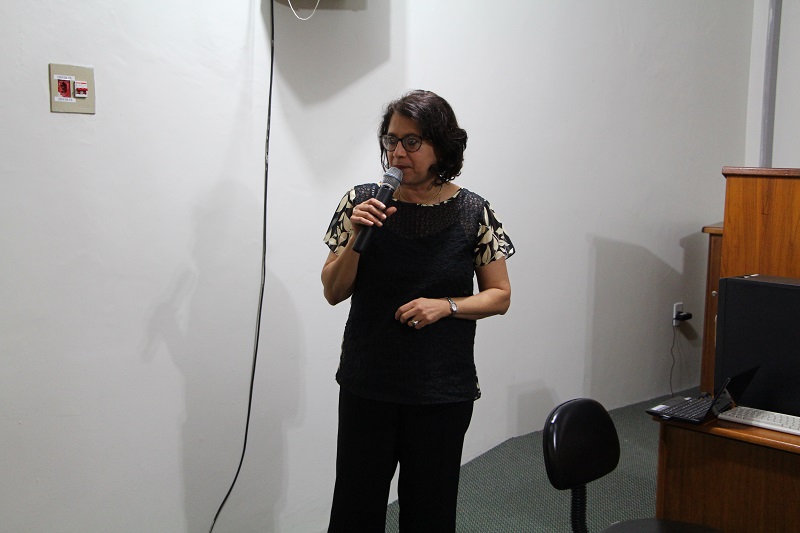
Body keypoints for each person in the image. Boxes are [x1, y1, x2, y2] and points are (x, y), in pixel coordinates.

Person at [321, 90, 514, 532]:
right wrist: (357, 236)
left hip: (440, 391)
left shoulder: (474, 211)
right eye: (391, 140)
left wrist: (446, 306)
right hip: (368, 384)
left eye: (412, 142)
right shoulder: (360, 202)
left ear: (440, 147)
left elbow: (500, 295)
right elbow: (333, 291)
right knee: (354, 509)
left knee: (429, 513)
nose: (397, 153)